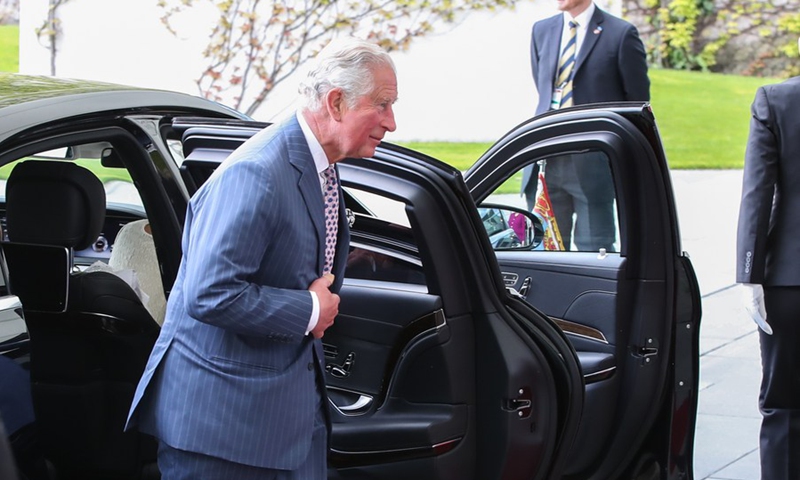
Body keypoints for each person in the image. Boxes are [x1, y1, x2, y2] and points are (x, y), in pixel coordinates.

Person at [125, 37, 398, 479]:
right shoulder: (256, 173)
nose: (392, 122)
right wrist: (309, 310)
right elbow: (209, 293)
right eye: (382, 105)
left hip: (283, 421)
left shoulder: (318, 164)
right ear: (336, 102)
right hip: (224, 432)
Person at [521, 0, 649, 251]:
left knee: (596, 251)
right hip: (547, 157)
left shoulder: (621, 34)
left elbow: (636, 103)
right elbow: (545, 90)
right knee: (546, 250)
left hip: (593, 162)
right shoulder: (541, 30)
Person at [737, 36, 800, 480]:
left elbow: (756, 194)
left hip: (787, 280)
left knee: (782, 406)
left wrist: (748, 276)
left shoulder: (776, 100)